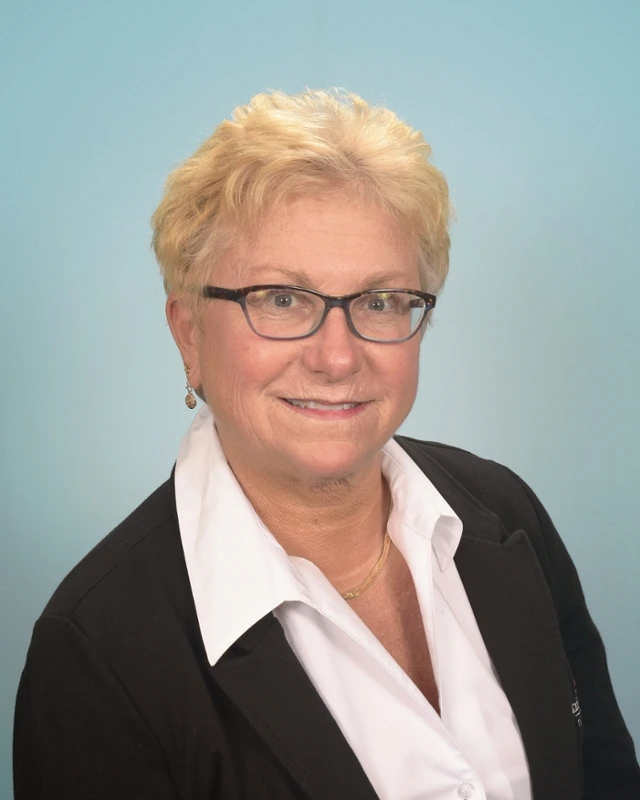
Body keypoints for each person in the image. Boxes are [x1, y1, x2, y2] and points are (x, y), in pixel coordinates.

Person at [13, 89, 639, 800]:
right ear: (188, 332)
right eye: (282, 299)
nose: (337, 358)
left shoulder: (504, 511)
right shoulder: (97, 651)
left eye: (379, 301)